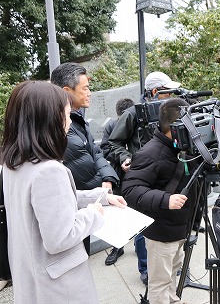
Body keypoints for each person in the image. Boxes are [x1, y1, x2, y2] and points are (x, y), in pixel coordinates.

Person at [0, 81, 126, 304]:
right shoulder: (49, 171)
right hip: (60, 288)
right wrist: (94, 213)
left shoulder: (14, 164)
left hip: (30, 273)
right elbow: (60, 238)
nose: (69, 122)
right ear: (48, 120)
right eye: (66, 115)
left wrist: (101, 197)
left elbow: (49, 204)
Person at [121, 98, 198, 304]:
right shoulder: (150, 153)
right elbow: (130, 191)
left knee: (172, 275)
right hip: (161, 232)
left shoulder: (182, 148)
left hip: (178, 228)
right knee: (160, 283)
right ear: (175, 128)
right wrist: (166, 199)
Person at [108, 71, 181, 284]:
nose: (172, 95)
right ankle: (145, 269)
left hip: (167, 176)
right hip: (142, 176)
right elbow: (114, 142)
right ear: (156, 92)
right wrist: (125, 157)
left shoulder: (171, 111)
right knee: (142, 225)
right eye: (168, 92)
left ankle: (168, 271)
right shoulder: (132, 113)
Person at [51, 62, 119, 254]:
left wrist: (107, 178)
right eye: (86, 88)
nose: (89, 93)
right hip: (76, 210)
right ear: (67, 91)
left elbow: (95, 151)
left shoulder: (78, 119)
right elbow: (79, 168)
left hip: (88, 201)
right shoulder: (58, 125)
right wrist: (101, 194)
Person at [100, 98, 135, 266]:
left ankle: (140, 244)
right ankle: (117, 246)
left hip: (138, 173)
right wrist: (121, 158)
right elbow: (106, 149)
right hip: (119, 173)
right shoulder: (111, 127)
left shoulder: (139, 122)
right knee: (119, 210)